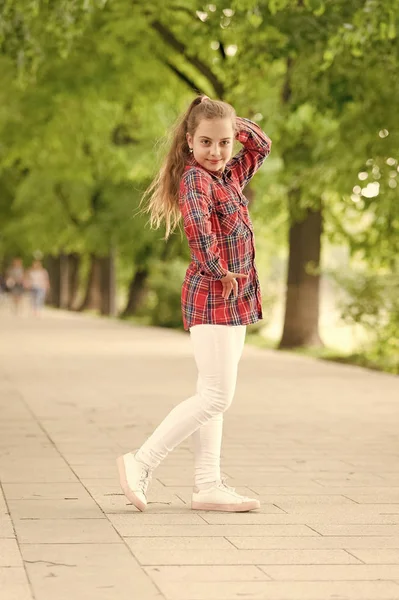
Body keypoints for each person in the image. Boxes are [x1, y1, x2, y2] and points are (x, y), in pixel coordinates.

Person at [117, 95, 271, 512]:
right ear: (189, 141)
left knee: (212, 391)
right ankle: (141, 461)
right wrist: (220, 272)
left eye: (223, 143)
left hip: (233, 297)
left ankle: (207, 486)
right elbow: (199, 233)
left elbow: (262, 146)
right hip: (214, 295)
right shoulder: (195, 180)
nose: (216, 152)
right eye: (205, 142)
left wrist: (227, 121)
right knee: (217, 397)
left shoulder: (229, 178)